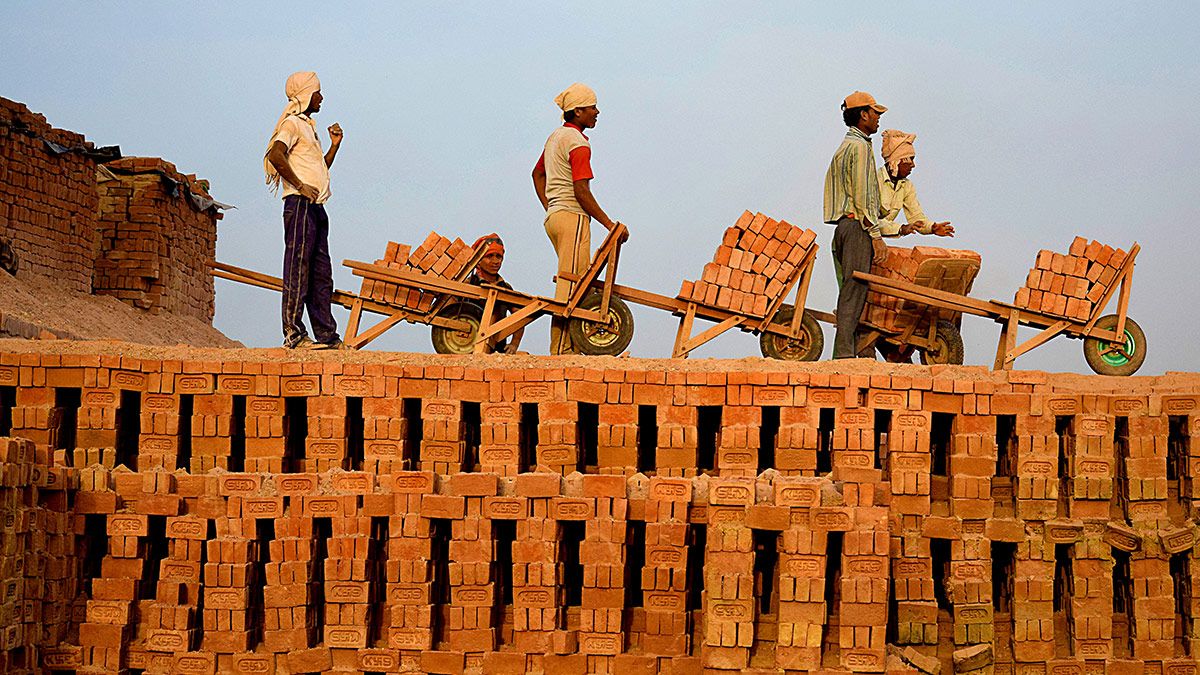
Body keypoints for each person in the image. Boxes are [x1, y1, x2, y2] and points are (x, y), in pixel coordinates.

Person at [532, 82, 628, 355]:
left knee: (571, 281)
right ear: (577, 112)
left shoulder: (555, 137)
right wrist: (610, 225)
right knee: (572, 286)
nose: (597, 112)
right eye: (592, 108)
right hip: (572, 217)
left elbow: (537, 175)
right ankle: (562, 350)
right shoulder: (577, 143)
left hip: (556, 218)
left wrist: (550, 207)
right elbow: (581, 191)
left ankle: (566, 347)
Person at [264, 71, 346, 350]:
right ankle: (294, 334)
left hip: (316, 207)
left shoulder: (308, 127)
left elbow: (318, 169)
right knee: (298, 268)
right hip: (299, 205)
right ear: (306, 95)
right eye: (318, 92)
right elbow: (275, 154)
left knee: (321, 273)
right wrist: (299, 185)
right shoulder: (292, 124)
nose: (322, 97)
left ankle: (326, 336)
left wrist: (334, 147)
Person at [823, 90, 888, 359]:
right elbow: (862, 196)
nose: (878, 119)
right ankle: (844, 356)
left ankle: (851, 352)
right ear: (863, 115)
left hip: (843, 228)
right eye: (875, 114)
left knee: (849, 289)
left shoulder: (845, 147)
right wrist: (875, 235)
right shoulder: (860, 148)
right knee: (855, 290)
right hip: (856, 227)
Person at [877, 129, 954, 239]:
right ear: (896, 161)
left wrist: (932, 228)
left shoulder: (906, 185)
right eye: (910, 160)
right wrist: (901, 228)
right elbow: (869, 221)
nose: (913, 165)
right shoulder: (873, 180)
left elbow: (916, 217)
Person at [467, 234, 524, 354]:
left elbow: (520, 317)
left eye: (499, 257)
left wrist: (514, 344)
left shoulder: (505, 288)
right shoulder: (469, 284)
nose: (495, 261)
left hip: (496, 352)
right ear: (478, 260)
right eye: (489, 256)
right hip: (465, 350)